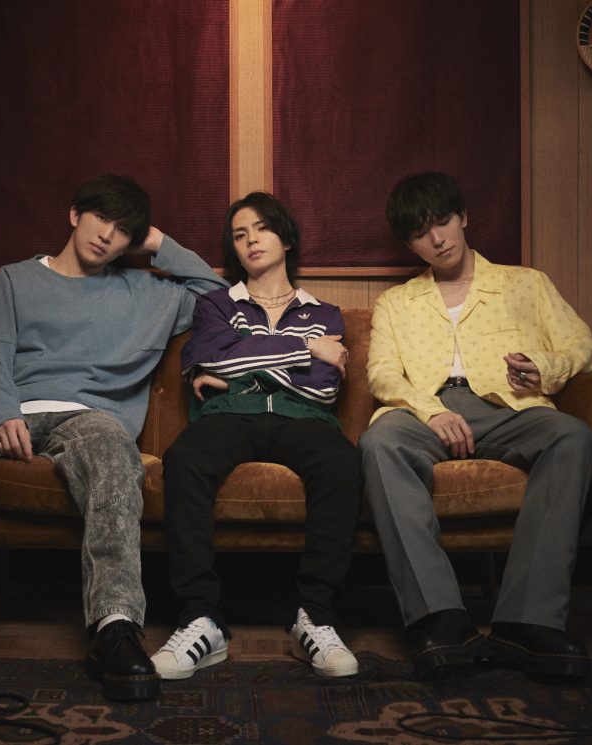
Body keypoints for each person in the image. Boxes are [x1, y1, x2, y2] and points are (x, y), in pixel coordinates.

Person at [0, 174, 228, 701]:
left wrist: (157, 242)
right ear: (74, 214)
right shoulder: (16, 280)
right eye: (101, 218)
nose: (107, 235)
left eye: (123, 230)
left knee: (113, 444)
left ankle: (115, 624)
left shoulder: (147, 292)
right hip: (11, 408)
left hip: (89, 418)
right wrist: (2, 413)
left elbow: (218, 298)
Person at [359, 172, 592, 681]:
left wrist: (543, 368)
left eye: (443, 222)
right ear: (409, 244)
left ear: (464, 217)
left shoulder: (526, 284)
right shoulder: (396, 303)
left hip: (509, 408)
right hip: (426, 410)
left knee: (572, 436)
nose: (437, 239)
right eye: (421, 233)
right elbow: (382, 374)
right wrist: (430, 411)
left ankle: (527, 622)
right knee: (380, 442)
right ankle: (440, 619)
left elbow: (581, 346)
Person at [150, 192, 362, 680]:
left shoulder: (324, 312)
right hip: (229, 416)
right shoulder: (215, 304)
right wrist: (306, 350)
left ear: (286, 239)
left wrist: (242, 366)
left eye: (262, 228)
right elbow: (210, 359)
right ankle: (200, 620)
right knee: (184, 459)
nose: (251, 240)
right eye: (240, 234)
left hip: (304, 417)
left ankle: (316, 618)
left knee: (341, 462)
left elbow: (323, 386)